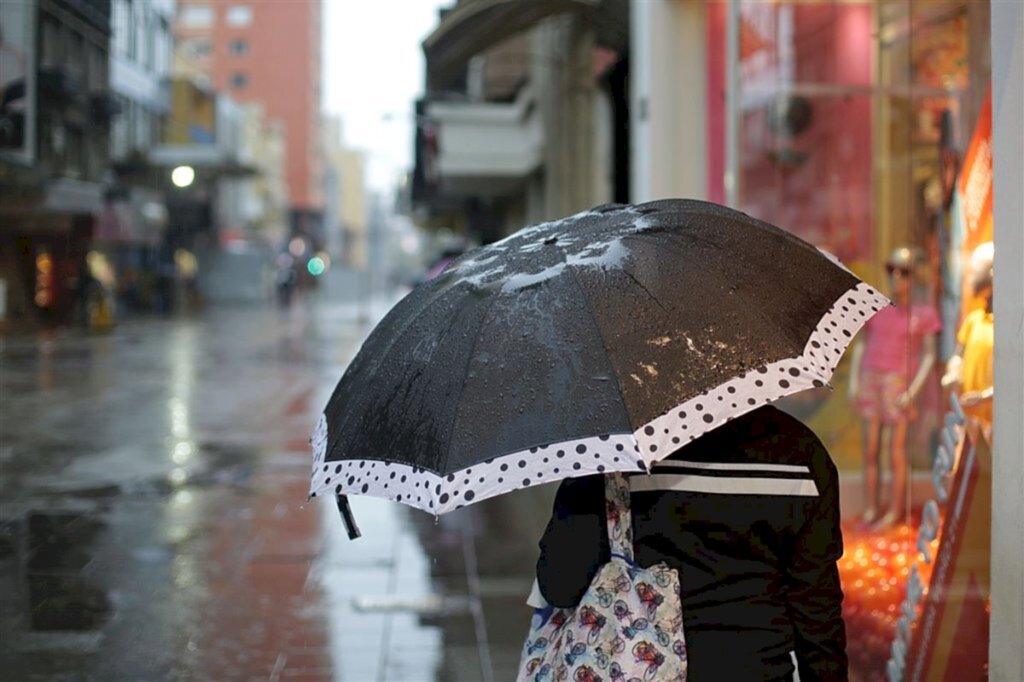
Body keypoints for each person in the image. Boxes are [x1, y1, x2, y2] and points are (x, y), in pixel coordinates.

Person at [535, 406, 848, 682]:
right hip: (759, 670)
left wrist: (577, 483)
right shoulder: (800, 452)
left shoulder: (614, 455)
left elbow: (560, 585)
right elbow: (817, 613)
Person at [847, 247, 940, 528]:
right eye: (892, 270)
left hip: (898, 383)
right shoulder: (877, 308)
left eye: (904, 272)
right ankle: (872, 508)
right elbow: (862, 343)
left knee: (895, 450)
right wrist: (853, 380)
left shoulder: (923, 313)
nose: (897, 277)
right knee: (871, 448)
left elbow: (929, 355)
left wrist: (913, 391)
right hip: (870, 378)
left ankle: (894, 511)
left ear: (914, 277)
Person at [941, 241, 994, 442]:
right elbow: (958, 354)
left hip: (997, 418)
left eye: (973, 272)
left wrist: (985, 397)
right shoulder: (973, 320)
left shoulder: (1008, 327)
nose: (969, 279)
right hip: (970, 418)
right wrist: (954, 370)